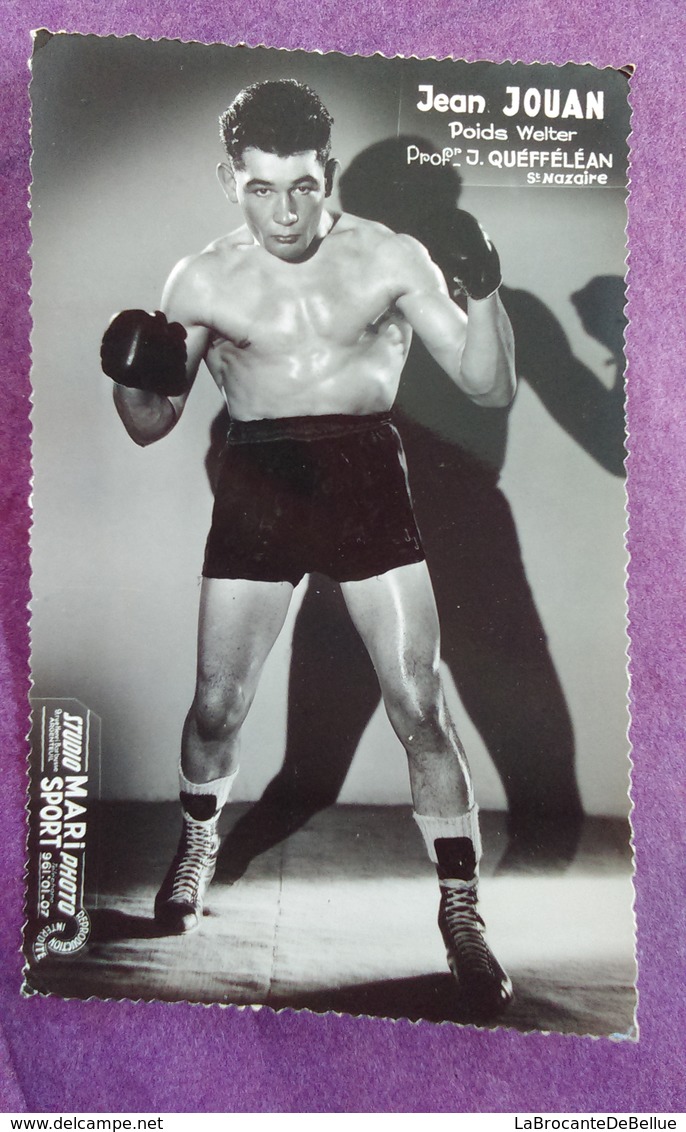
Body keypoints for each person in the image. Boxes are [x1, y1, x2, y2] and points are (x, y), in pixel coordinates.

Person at [101, 79, 517, 1019]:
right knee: (217, 704)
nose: (286, 211)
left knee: (419, 699)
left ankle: (461, 913)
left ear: (327, 172)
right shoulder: (201, 278)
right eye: (261, 189)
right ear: (229, 179)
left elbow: (488, 388)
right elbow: (151, 423)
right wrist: (131, 381)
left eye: (302, 186)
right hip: (260, 477)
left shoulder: (389, 257)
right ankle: (199, 839)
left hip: (366, 469)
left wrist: (484, 293)